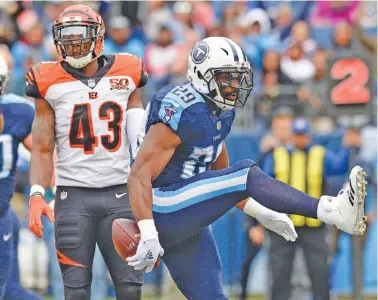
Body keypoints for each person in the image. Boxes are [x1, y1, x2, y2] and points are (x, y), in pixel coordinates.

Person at [126, 36, 367, 300]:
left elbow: (223, 180)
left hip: (185, 215)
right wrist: (148, 230)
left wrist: (262, 213)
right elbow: (139, 175)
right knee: (246, 171)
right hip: (161, 206)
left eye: (238, 77)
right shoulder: (183, 107)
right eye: (226, 77)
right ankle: (330, 210)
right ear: (201, 75)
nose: (235, 85)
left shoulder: (221, 111)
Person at [25, 4, 147, 300]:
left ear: (99, 37)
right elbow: (42, 147)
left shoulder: (128, 70)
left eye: (81, 37)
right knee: (75, 291)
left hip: (120, 193)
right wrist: (37, 193)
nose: (74, 45)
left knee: (130, 288)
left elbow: (140, 139)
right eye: (68, 38)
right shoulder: (47, 78)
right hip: (72, 196)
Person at [261, 118, 352, 300]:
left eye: (304, 135)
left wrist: (349, 147)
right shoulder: (277, 155)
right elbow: (262, 186)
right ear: (292, 136)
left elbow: (340, 167)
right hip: (283, 225)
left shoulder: (320, 154)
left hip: (314, 225)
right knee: (280, 273)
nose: (300, 139)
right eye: (297, 135)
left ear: (309, 136)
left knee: (319, 272)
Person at [0, 55, 40, 300]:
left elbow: (44, 153)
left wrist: (53, 189)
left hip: (3, 214)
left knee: (9, 290)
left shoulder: (17, 111)